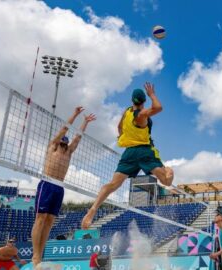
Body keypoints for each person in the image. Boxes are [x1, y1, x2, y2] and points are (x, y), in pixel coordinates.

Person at [81, 82, 173, 229]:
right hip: (144, 151)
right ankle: (169, 170)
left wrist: (122, 137)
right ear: (143, 102)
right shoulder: (141, 115)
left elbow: (119, 127)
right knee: (166, 181)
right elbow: (158, 107)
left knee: (112, 185)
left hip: (129, 152)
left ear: (132, 100)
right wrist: (152, 95)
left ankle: (93, 208)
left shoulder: (127, 112)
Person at [31, 106, 96, 267]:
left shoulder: (68, 153)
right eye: (63, 139)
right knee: (40, 218)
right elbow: (64, 128)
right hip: (47, 183)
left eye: (66, 140)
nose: (65, 141)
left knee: (50, 220)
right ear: (60, 141)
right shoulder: (52, 147)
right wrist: (74, 114)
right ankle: (35, 256)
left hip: (59, 187)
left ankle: (42, 253)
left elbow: (78, 138)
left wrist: (85, 122)